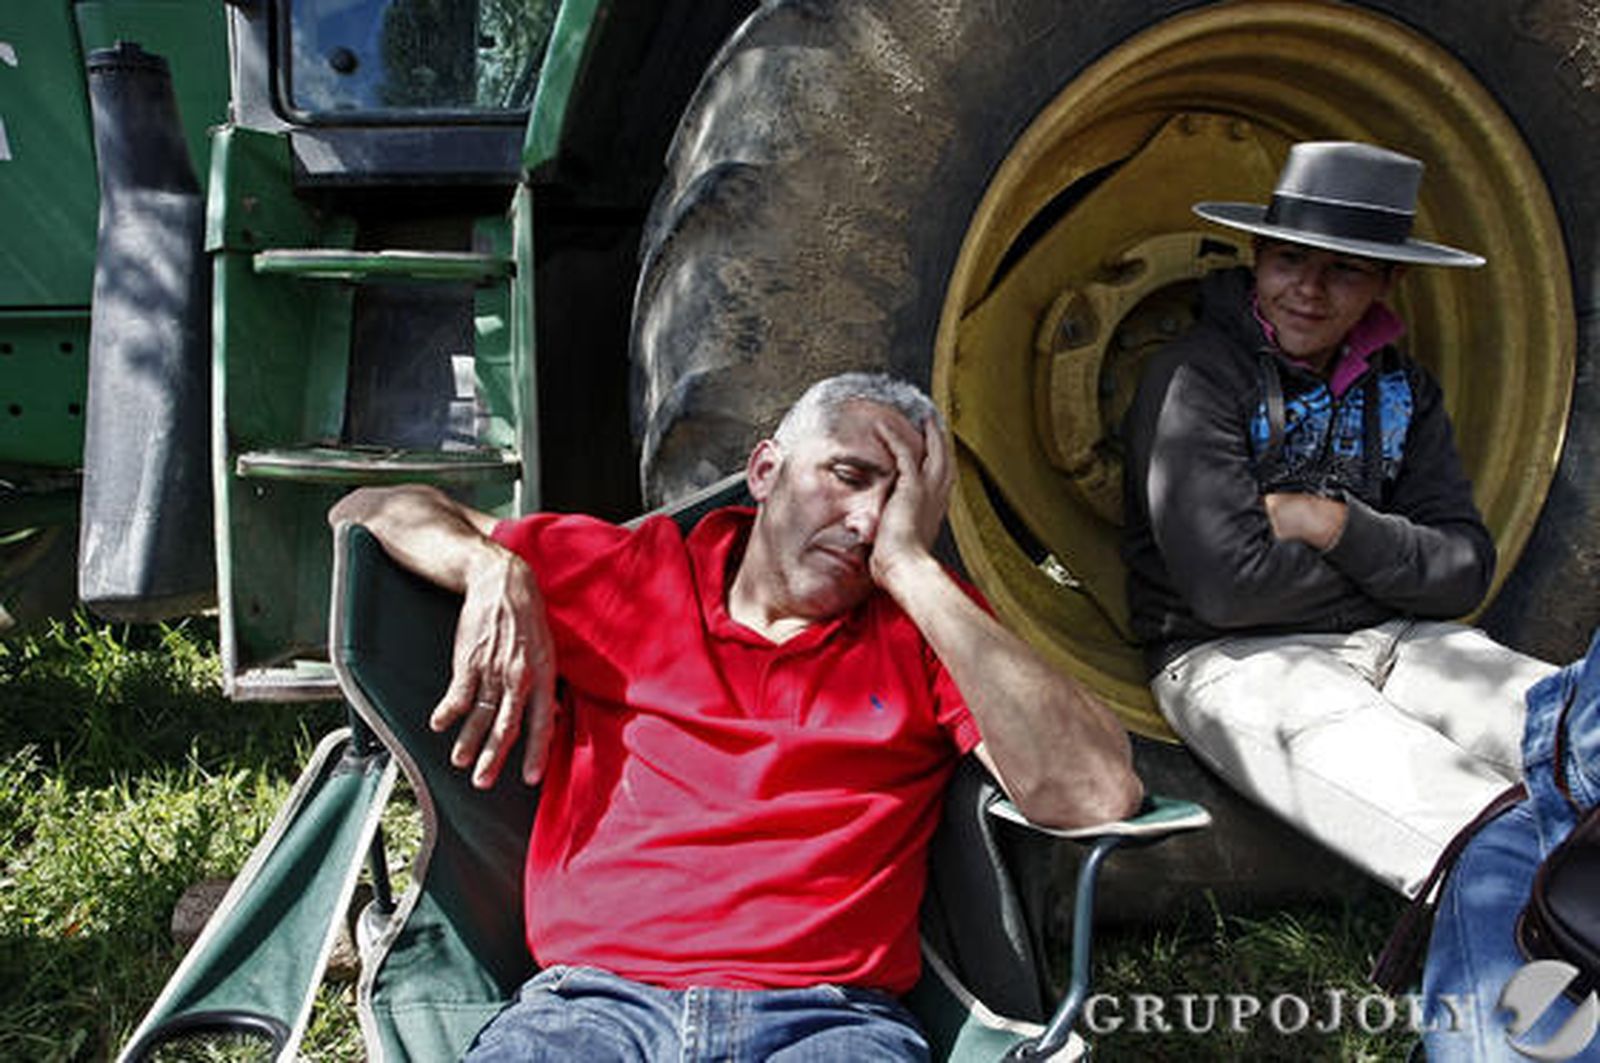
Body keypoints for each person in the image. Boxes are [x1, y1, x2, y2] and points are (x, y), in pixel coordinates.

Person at [331, 372, 1142, 1061]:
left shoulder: (930, 628)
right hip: (590, 1008)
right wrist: (489, 565)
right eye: (850, 476)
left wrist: (911, 566)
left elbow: (1096, 793)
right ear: (764, 470)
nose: (866, 521)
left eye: (898, 503)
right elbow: (367, 509)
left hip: (828, 1021)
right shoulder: (632, 575)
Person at [1120, 140, 1558, 900]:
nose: (1309, 291)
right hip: (1228, 658)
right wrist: (1395, 570)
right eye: (1289, 259)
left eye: (1344, 270)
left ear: (1389, 281)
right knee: (1462, 813)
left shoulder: (1405, 390)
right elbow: (1227, 589)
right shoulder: (1196, 376)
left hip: (1403, 639)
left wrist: (1332, 523)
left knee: (1567, 731)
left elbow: (1466, 567)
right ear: (1256, 256)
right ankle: (1531, 953)